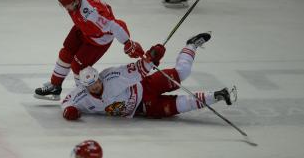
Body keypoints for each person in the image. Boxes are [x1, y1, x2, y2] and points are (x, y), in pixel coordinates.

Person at [61, 32, 237, 120]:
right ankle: (218, 96)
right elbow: (66, 102)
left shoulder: (112, 77)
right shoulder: (82, 95)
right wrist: (69, 110)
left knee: (183, 72)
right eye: (91, 85)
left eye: (96, 81)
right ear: (85, 87)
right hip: (144, 109)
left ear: (99, 77)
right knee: (182, 105)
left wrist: (152, 57)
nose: (96, 86)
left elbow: (136, 69)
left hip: (147, 85)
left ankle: (191, 46)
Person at [29, 0, 144, 101]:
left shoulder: (92, 13)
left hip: (98, 39)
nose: (67, 9)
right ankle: (55, 86)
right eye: (64, 5)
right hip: (83, 28)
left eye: (69, 5)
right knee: (67, 51)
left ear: (77, 1)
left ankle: (83, 98)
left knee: (78, 67)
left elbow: (116, 25)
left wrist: (128, 43)